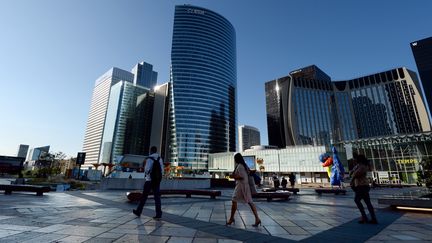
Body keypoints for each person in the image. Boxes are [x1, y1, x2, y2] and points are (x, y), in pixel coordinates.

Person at [226, 153, 261, 227]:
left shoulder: (240, 166)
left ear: (237, 159)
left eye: (235, 158)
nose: (234, 160)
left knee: (234, 200)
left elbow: (242, 176)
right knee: (250, 202)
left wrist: (232, 176)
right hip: (245, 186)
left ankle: (231, 218)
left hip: (241, 186)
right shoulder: (244, 165)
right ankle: (257, 219)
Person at [133, 146, 163, 219]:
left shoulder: (149, 158)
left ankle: (138, 211)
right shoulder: (160, 159)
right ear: (156, 151)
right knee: (157, 198)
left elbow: (146, 170)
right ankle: (158, 214)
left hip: (149, 180)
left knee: (144, 197)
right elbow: (162, 170)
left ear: (151, 151)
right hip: (157, 181)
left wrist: (148, 176)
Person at [350, 154, 378, 224]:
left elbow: (356, 174)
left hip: (362, 186)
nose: (355, 160)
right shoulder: (360, 166)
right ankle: (372, 218)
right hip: (362, 185)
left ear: (359, 159)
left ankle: (365, 217)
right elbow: (353, 173)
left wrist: (352, 177)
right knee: (367, 202)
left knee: (357, 200)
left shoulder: (362, 166)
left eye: (356, 159)